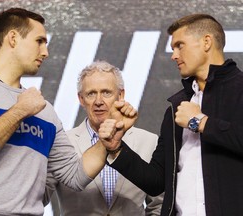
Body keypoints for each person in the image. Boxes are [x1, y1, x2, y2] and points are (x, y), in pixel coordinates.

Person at [0, 8, 137, 215]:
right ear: (13, 38)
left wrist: (109, 138)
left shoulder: (45, 111)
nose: (45, 52)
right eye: (39, 41)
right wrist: (20, 111)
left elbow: (75, 175)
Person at [100, 13, 243, 216]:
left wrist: (200, 122)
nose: (173, 55)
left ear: (206, 42)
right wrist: (117, 149)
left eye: (179, 45)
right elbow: (157, 181)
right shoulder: (177, 106)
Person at [45, 61, 164, 216]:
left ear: (120, 95)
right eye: (91, 94)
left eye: (106, 92)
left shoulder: (149, 141)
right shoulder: (62, 142)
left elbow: (160, 205)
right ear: (81, 99)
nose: (99, 101)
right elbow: (39, 196)